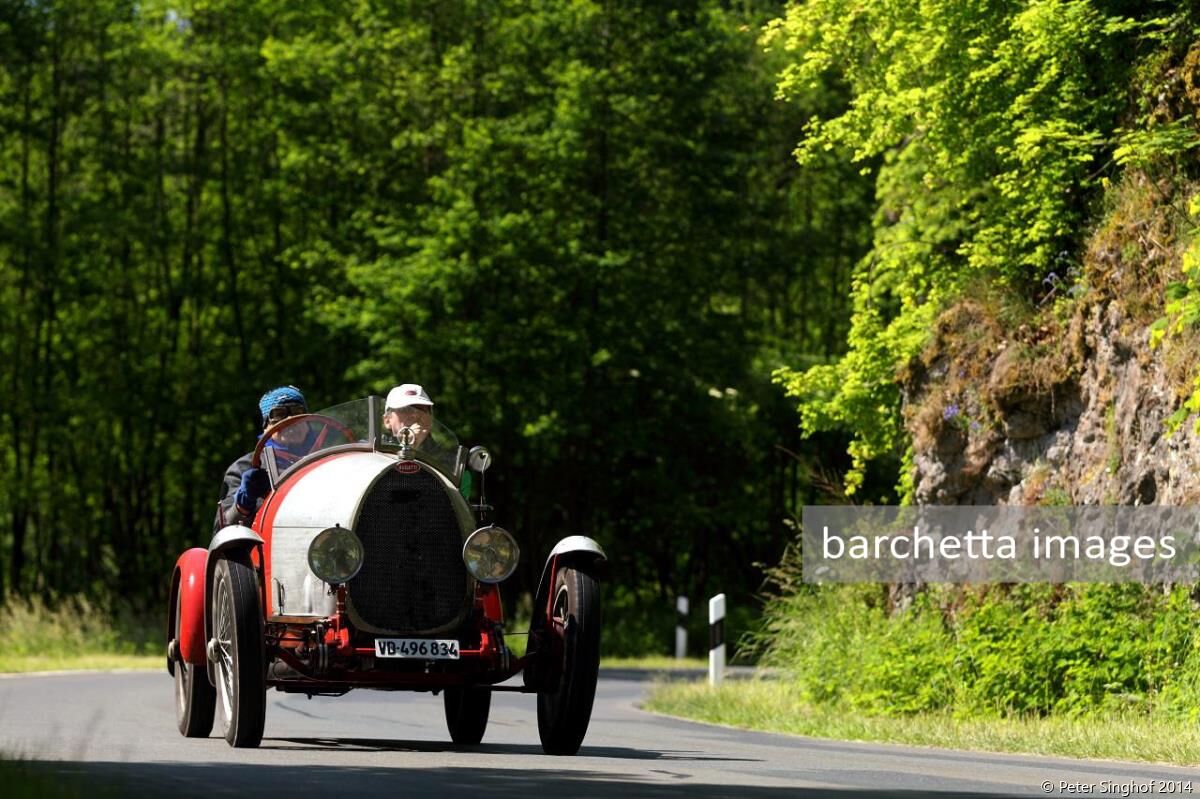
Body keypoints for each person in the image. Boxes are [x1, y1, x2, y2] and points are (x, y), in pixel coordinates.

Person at [214, 385, 314, 533]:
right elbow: (223, 531)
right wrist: (243, 504)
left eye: (297, 412)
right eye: (279, 415)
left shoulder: (329, 459)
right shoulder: (244, 468)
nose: (291, 420)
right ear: (266, 427)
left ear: (308, 421)